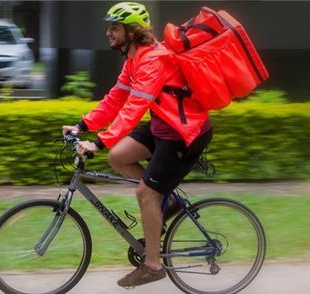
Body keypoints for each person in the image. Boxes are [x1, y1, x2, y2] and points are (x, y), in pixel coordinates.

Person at [62, 2, 213, 288]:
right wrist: (82, 125)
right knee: (118, 157)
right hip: (163, 124)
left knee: (146, 193)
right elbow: (116, 98)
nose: (108, 33)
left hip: (184, 132)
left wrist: (99, 142)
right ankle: (167, 201)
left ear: (132, 31)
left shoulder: (154, 60)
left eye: (114, 27)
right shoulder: (134, 59)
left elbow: (134, 107)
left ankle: (153, 265)